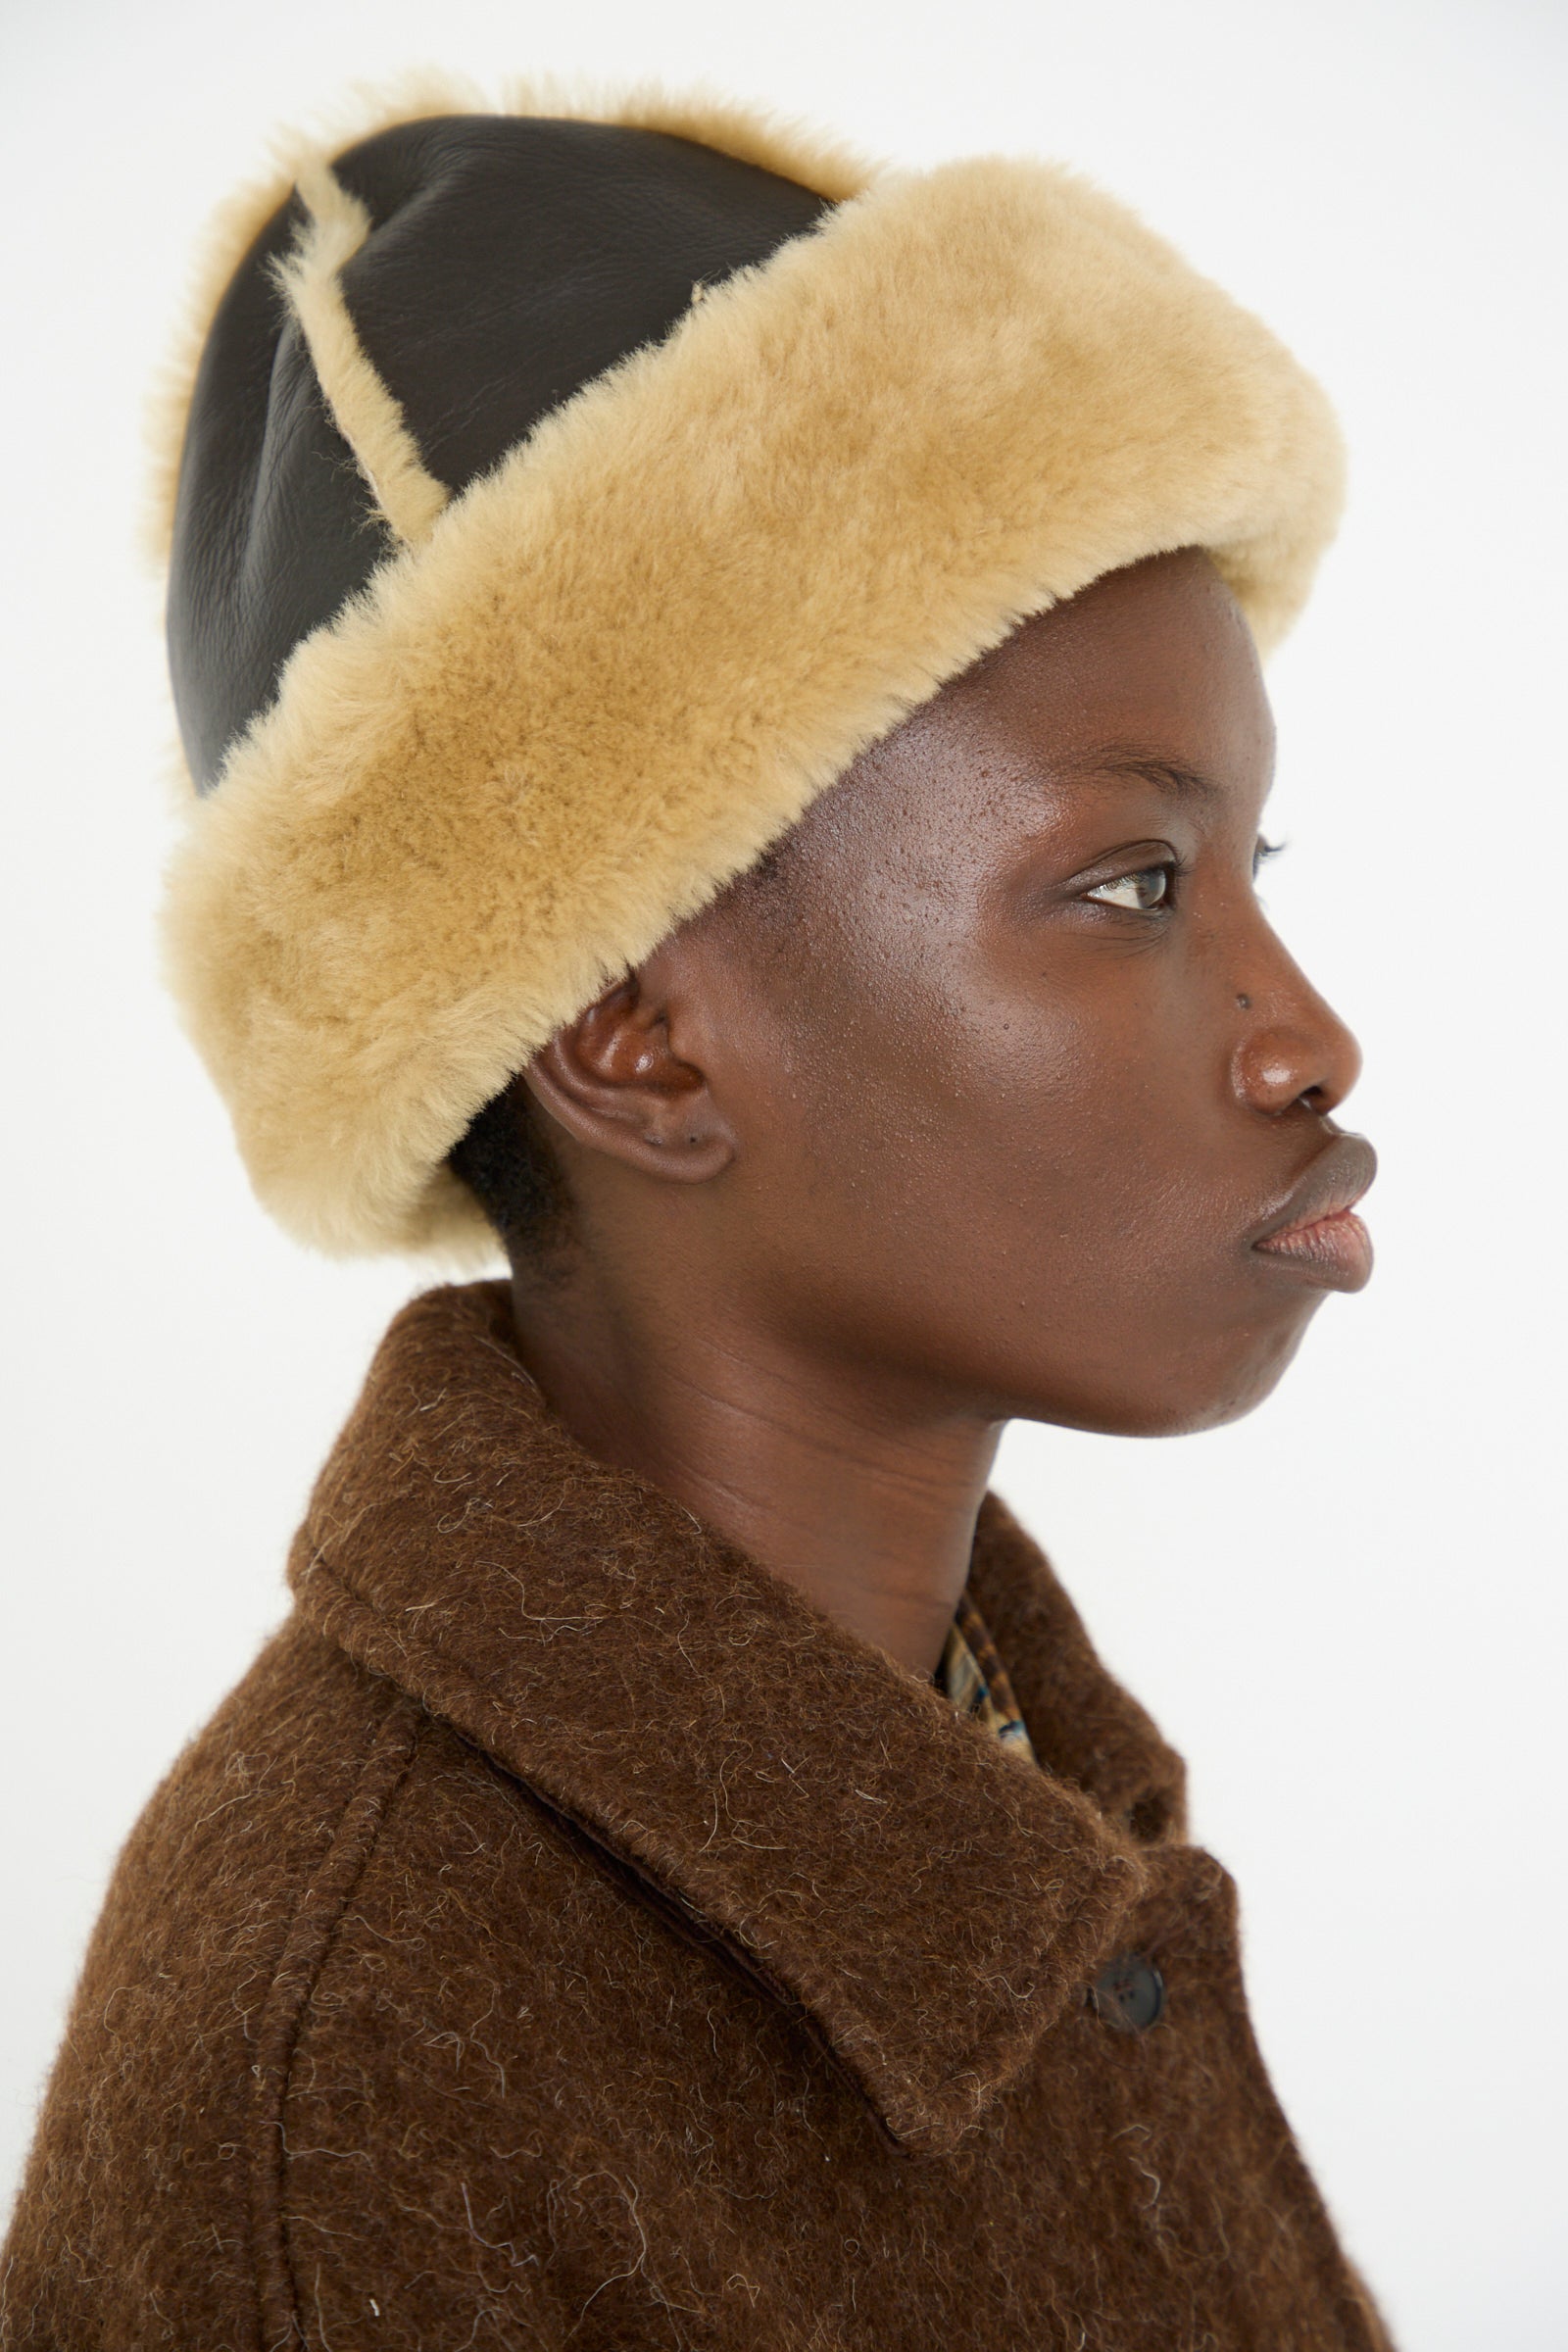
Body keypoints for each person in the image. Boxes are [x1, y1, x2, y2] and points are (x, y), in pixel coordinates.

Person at [0, 85, 1389, 2347]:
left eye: (1252, 873)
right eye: (1129, 884)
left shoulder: (1009, 1764)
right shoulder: (353, 2083)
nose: (1301, 1039)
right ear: (638, 1041)